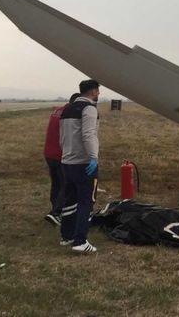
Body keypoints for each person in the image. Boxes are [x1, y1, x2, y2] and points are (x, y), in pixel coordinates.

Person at [59, 79, 101, 253]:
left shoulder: (67, 109)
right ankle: (80, 241)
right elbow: (89, 134)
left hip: (67, 161)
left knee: (69, 200)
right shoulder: (89, 108)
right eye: (98, 91)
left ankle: (66, 236)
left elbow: (62, 136)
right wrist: (93, 157)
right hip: (83, 163)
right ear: (92, 92)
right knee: (86, 202)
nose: (99, 94)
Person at [44, 93, 80, 226]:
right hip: (61, 155)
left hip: (49, 153)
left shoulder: (57, 111)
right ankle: (56, 213)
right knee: (66, 184)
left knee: (56, 184)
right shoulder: (70, 114)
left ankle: (55, 209)